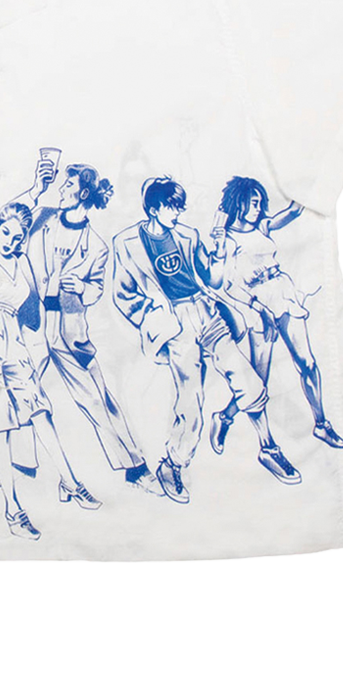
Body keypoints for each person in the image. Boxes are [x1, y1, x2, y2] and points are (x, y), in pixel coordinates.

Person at [111, 176, 301, 505]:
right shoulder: (126, 243)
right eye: (172, 207)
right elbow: (123, 294)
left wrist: (218, 251)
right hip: (173, 324)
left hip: (206, 312)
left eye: (179, 207)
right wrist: (153, 318)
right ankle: (173, 465)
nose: (177, 213)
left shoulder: (188, 235)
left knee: (247, 379)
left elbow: (212, 279)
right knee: (190, 401)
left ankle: (269, 449)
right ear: (154, 208)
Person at [0, 202, 100, 541]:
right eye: (6, 234)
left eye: (18, 237)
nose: (11, 241)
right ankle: (13, 511)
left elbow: (32, 308)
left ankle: (71, 482)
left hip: (15, 341)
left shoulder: (21, 261)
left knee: (40, 411)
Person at [10, 153, 163, 495]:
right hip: (31, 321)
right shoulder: (41, 217)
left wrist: (82, 287)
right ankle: (16, 466)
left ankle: (135, 468)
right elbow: (6, 219)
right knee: (18, 389)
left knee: (96, 398)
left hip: (69, 329)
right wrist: (35, 190)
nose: (61, 188)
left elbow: (95, 291)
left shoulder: (96, 245)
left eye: (68, 185)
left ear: (82, 194)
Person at [208, 177, 343, 454]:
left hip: (282, 291)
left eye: (260, 203)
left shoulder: (262, 226)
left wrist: (310, 182)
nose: (258, 209)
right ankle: (229, 420)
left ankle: (321, 423)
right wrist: (259, 308)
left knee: (307, 362)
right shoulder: (228, 240)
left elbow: (293, 212)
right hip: (256, 303)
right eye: (253, 203)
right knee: (258, 381)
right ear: (239, 202)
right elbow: (225, 285)